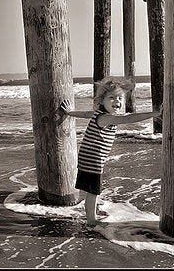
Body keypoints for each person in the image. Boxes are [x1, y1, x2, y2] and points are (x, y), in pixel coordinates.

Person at [60, 76, 162, 225]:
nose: (117, 102)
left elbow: (85, 114)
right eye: (112, 98)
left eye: (120, 98)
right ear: (102, 101)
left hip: (89, 157)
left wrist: (70, 112)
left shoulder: (98, 114)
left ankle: (91, 213)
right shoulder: (106, 118)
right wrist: (154, 114)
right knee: (93, 192)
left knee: (92, 190)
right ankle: (91, 220)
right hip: (92, 160)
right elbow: (129, 118)